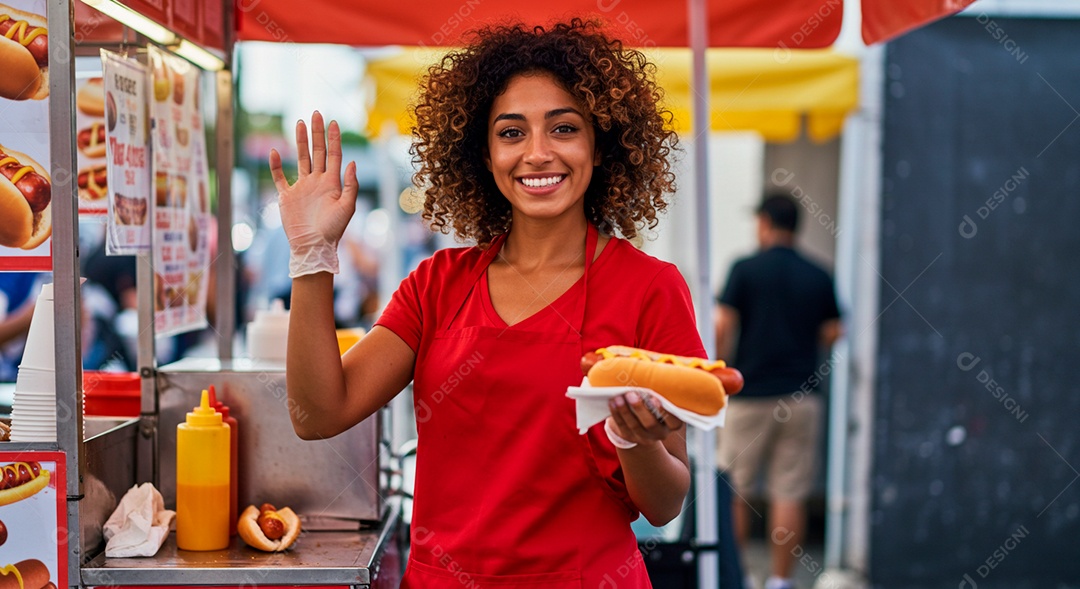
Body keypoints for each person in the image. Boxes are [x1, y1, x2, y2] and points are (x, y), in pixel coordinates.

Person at [270, 20, 704, 588]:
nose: (539, 154)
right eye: (512, 133)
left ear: (601, 145)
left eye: (564, 128)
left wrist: (634, 437)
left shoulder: (651, 288)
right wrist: (311, 256)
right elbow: (317, 415)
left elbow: (666, 504)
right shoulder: (438, 284)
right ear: (484, 153)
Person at [714, 194, 843, 589]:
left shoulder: (745, 269)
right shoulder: (818, 273)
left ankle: (738, 577)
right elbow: (834, 331)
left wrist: (717, 373)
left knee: (735, 489)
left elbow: (722, 325)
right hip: (801, 397)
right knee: (790, 492)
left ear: (765, 222)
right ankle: (780, 581)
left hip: (749, 394)